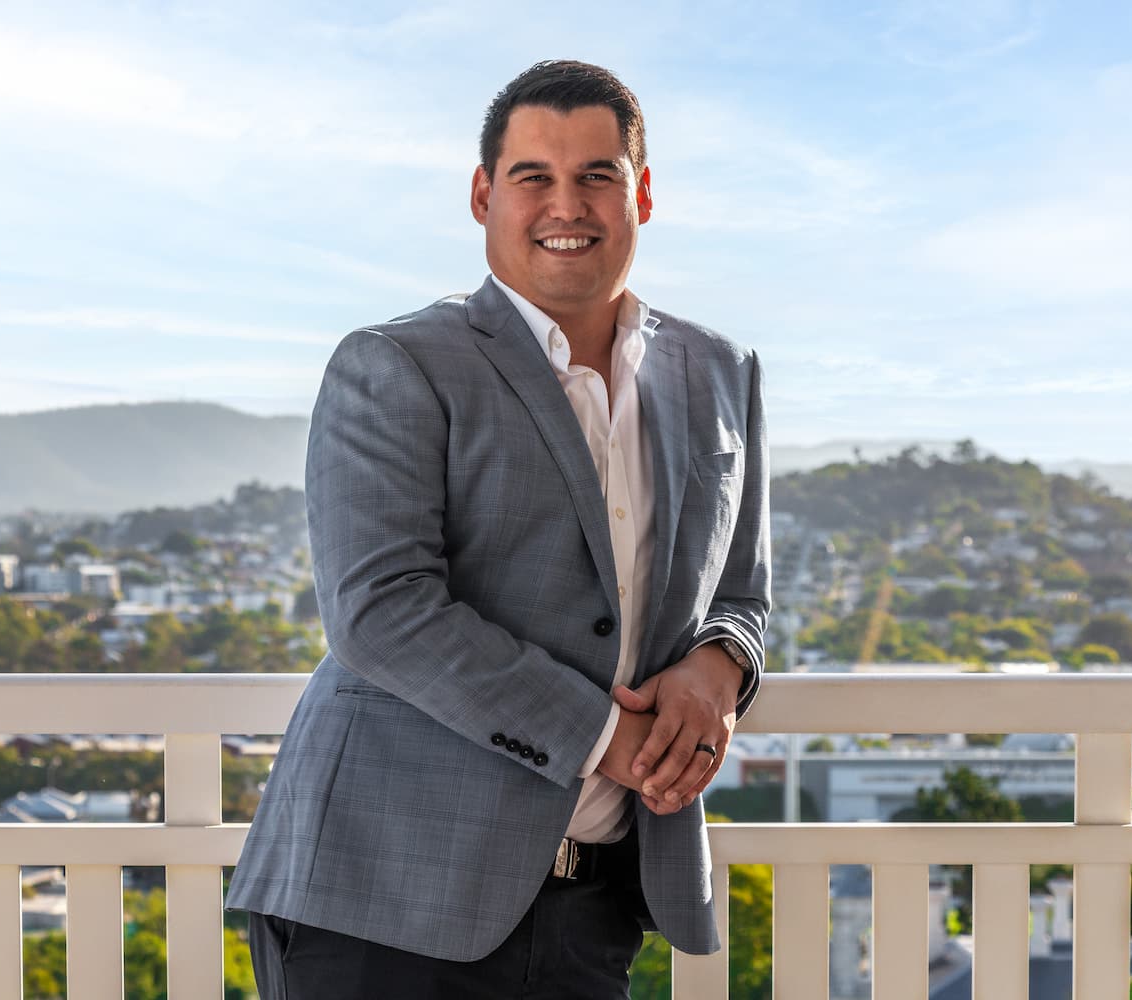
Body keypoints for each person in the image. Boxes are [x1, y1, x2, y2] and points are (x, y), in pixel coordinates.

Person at [226, 59, 770, 999]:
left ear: (640, 192)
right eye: (534, 177)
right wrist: (608, 735)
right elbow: (381, 611)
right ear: (484, 195)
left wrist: (719, 671)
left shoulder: (719, 371)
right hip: (383, 895)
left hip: (597, 904)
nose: (570, 204)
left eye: (598, 174)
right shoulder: (394, 363)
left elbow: (742, 594)